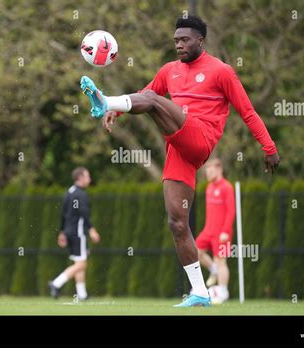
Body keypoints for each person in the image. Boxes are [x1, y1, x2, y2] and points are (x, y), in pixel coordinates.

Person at [80, 15, 279, 307]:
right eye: (175, 41)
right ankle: (200, 291)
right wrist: (119, 113)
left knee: (155, 101)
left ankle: (104, 99)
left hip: (200, 138)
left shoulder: (221, 71)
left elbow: (247, 111)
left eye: (185, 40)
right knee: (176, 222)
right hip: (177, 147)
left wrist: (269, 146)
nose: (179, 45)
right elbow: (146, 93)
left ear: (200, 40)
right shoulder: (169, 70)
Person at [48, 167, 100, 301]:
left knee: (79, 261)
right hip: (78, 233)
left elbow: (63, 215)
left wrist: (62, 232)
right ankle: (56, 283)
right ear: (80, 178)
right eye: (87, 176)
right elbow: (84, 214)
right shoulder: (81, 195)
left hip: (69, 232)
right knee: (82, 264)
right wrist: (92, 229)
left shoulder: (69, 192)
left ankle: (82, 294)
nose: (89, 179)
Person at [196, 158, 235, 304]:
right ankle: (212, 269)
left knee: (221, 261)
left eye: (210, 170)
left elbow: (231, 211)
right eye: (207, 171)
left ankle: (223, 292)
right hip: (208, 231)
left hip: (222, 233)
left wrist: (226, 230)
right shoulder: (209, 187)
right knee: (194, 252)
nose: (208, 174)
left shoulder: (227, 187)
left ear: (219, 170)